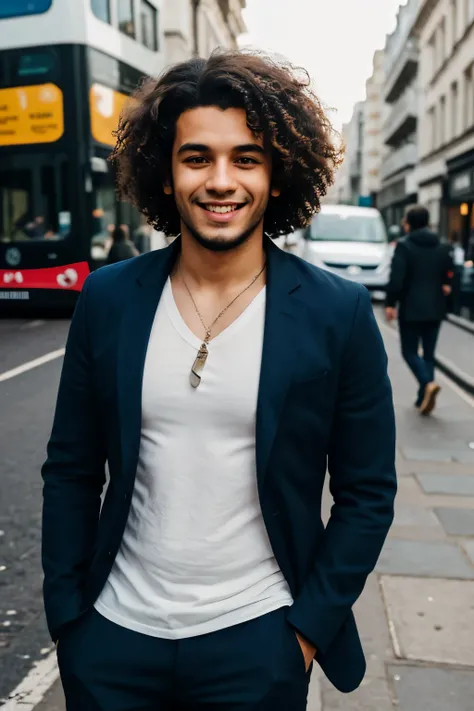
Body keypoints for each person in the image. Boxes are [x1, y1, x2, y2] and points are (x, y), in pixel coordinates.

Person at [42, 50, 397, 710]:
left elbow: (368, 491)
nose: (221, 180)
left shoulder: (337, 313)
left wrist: (304, 634)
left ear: (279, 173)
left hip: (258, 642)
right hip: (114, 638)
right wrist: (69, 616)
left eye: (247, 158)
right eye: (197, 157)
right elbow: (70, 467)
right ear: (166, 172)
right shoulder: (110, 298)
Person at [385, 205, 453, 415]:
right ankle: (423, 396)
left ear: (409, 224)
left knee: (409, 351)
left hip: (411, 308)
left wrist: (390, 303)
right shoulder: (442, 245)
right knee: (429, 354)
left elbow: (397, 279)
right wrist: (446, 285)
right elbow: (449, 272)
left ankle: (427, 383)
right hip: (435, 307)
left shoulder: (404, 246)